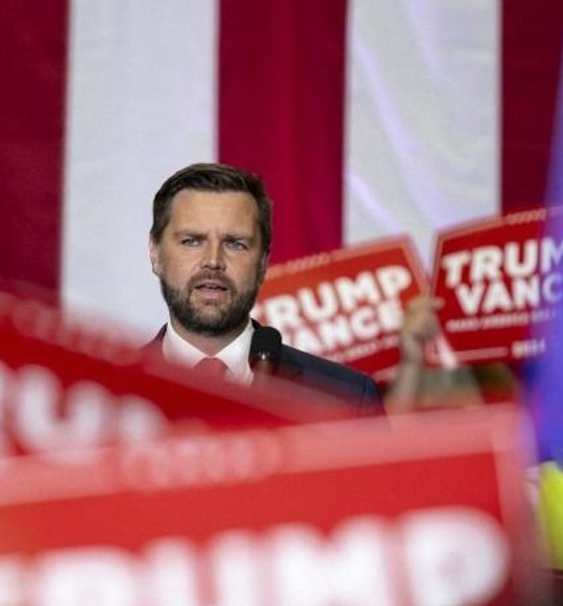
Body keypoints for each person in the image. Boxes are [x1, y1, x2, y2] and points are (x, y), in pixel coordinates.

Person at [146, 162, 384, 416]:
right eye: (191, 241)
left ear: (262, 263)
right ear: (155, 253)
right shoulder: (107, 399)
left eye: (235, 243)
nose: (213, 261)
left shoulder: (348, 399)